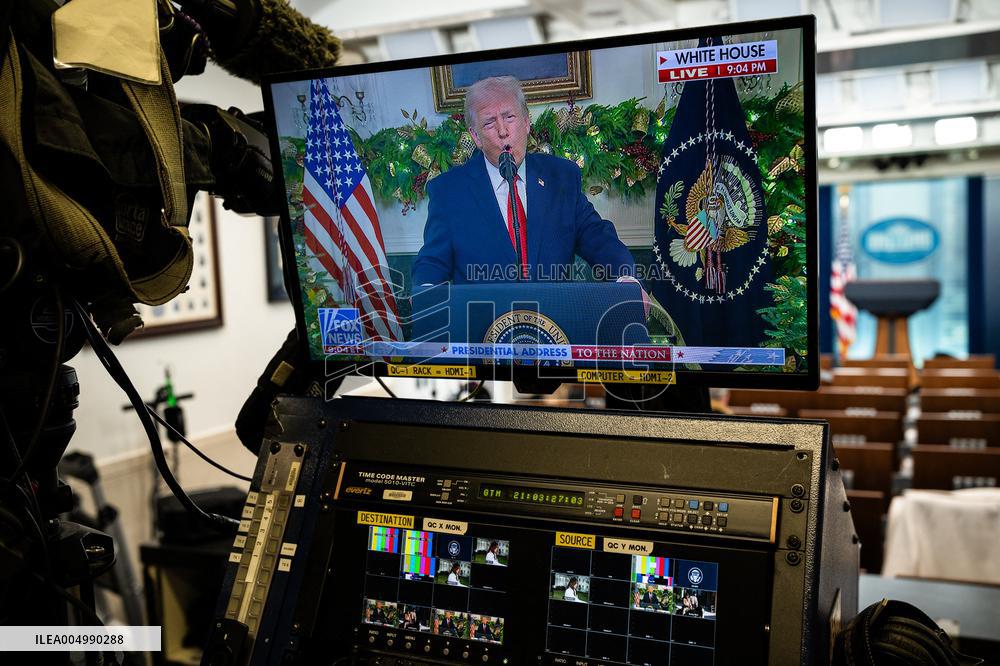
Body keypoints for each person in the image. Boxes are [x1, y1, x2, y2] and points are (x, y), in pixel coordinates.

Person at [411, 76, 637, 286]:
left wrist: (625, 277)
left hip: (555, 321)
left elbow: (597, 237)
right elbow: (433, 261)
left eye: (509, 117)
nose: (502, 131)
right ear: (476, 136)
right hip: (486, 322)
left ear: (527, 122)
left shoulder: (562, 177)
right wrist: (426, 291)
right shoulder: (448, 191)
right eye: (489, 123)